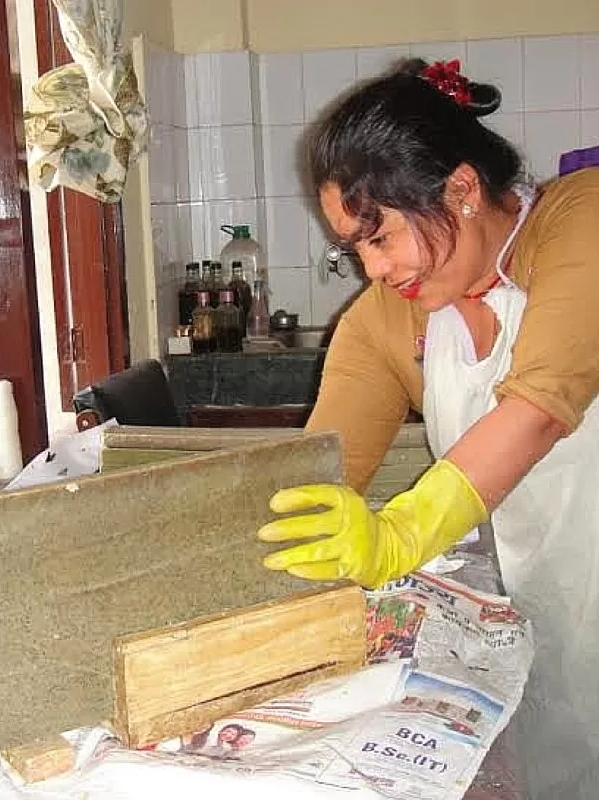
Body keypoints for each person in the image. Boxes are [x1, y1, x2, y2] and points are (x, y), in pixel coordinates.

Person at [256, 58, 599, 799]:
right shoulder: (386, 318)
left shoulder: (583, 219)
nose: (373, 269)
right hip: (549, 604)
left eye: (380, 237)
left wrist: (400, 535)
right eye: (354, 250)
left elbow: (540, 410)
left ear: (462, 190)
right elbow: (313, 477)